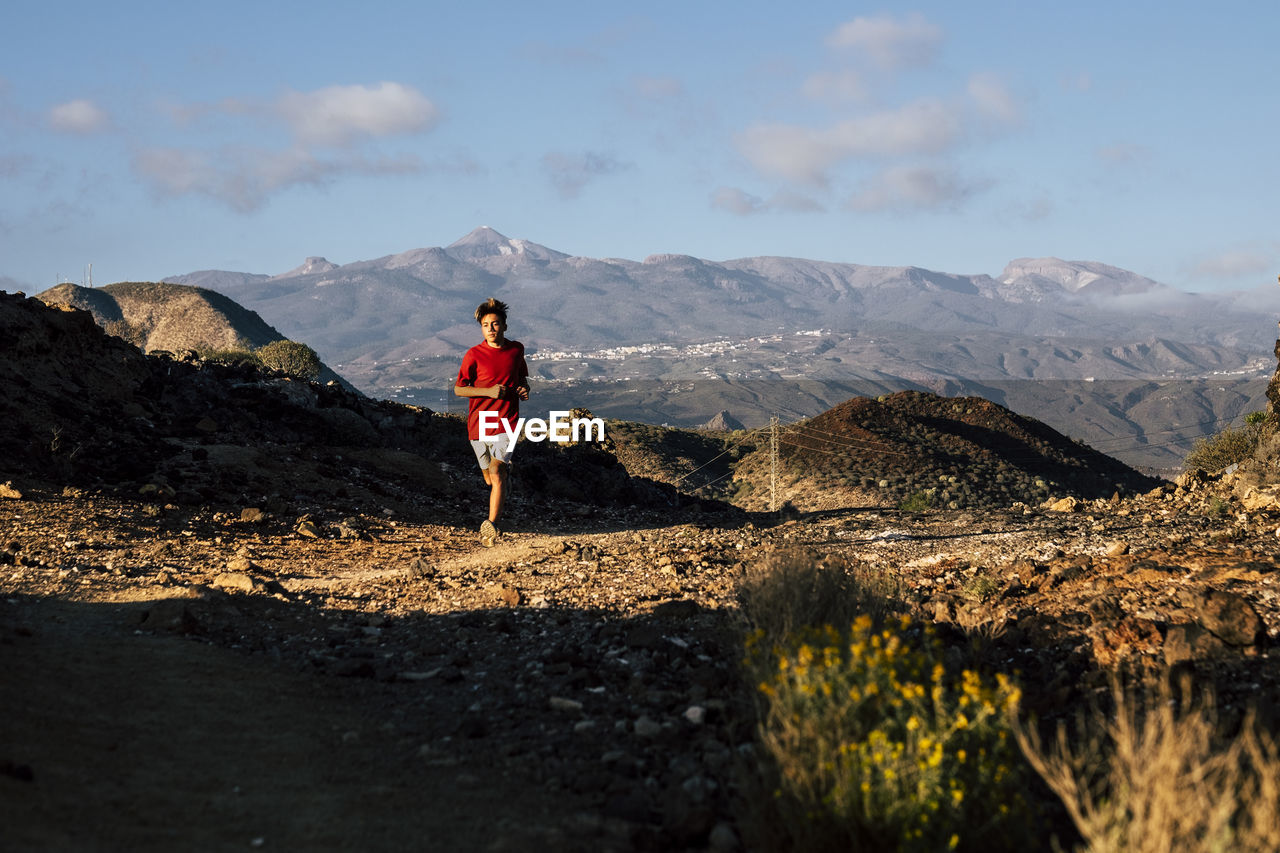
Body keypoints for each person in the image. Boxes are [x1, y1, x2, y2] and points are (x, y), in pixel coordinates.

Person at [453, 297, 529, 546]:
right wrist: (487, 392)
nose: (491, 329)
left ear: (505, 325)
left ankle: (491, 525)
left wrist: (523, 388)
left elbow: (520, 378)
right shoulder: (473, 355)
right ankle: (503, 476)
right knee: (489, 476)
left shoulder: (516, 349)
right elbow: (459, 390)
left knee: (496, 473)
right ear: (481, 328)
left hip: (508, 420)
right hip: (479, 423)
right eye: (486, 325)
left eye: (495, 324)